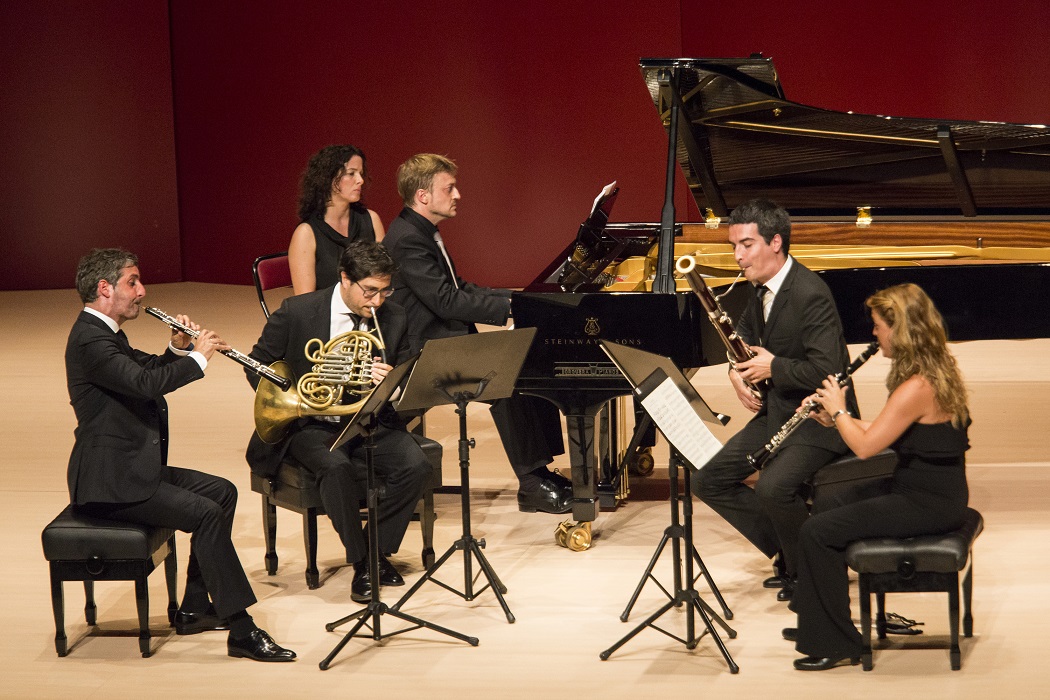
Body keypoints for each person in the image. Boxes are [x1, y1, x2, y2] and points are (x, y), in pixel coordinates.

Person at [65, 249, 295, 662]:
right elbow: (142, 383)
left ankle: (194, 608)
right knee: (205, 513)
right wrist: (198, 359)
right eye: (132, 282)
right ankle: (242, 630)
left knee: (221, 493)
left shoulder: (104, 334)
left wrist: (176, 349)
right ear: (105, 289)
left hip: (133, 470)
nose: (142, 291)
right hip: (111, 482)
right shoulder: (89, 339)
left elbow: (143, 369)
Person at [785, 283, 971, 670]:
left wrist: (838, 410)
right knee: (829, 501)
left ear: (898, 329)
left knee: (816, 531)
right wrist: (836, 419)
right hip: (932, 491)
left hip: (927, 503)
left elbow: (867, 447)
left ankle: (835, 643)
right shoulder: (933, 370)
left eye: (877, 326)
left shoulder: (916, 386)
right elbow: (892, 428)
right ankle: (819, 616)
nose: (873, 333)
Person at [381, 153, 570, 514]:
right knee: (506, 376)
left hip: (442, 339)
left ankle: (541, 472)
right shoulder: (407, 239)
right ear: (423, 196)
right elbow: (447, 301)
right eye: (448, 188)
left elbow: (459, 286)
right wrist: (510, 309)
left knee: (526, 360)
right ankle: (531, 483)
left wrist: (518, 298)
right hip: (420, 351)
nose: (458, 194)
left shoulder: (421, 230)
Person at [690, 199, 858, 601]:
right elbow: (744, 341)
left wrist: (774, 368)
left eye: (746, 245)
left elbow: (830, 370)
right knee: (707, 480)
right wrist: (736, 372)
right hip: (777, 414)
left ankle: (812, 574)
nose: (738, 256)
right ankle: (789, 552)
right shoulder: (760, 290)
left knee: (773, 488)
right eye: (734, 246)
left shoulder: (809, 293)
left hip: (819, 419)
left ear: (776, 242)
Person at [245, 241, 430, 603]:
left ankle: (374, 553)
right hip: (311, 422)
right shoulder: (297, 312)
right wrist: (299, 395)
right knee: (335, 468)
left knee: (417, 466)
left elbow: (409, 376)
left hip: (367, 420)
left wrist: (389, 383)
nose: (377, 301)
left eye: (385, 291)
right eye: (370, 291)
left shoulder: (394, 316)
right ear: (345, 278)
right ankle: (363, 563)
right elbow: (258, 365)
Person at [288, 144, 385, 294]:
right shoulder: (306, 233)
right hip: (328, 314)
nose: (360, 180)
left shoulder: (371, 219)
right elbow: (304, 302)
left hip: (372, 310)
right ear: (329, 178)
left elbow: (384, 276)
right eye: (351, 173)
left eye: (361, 173)